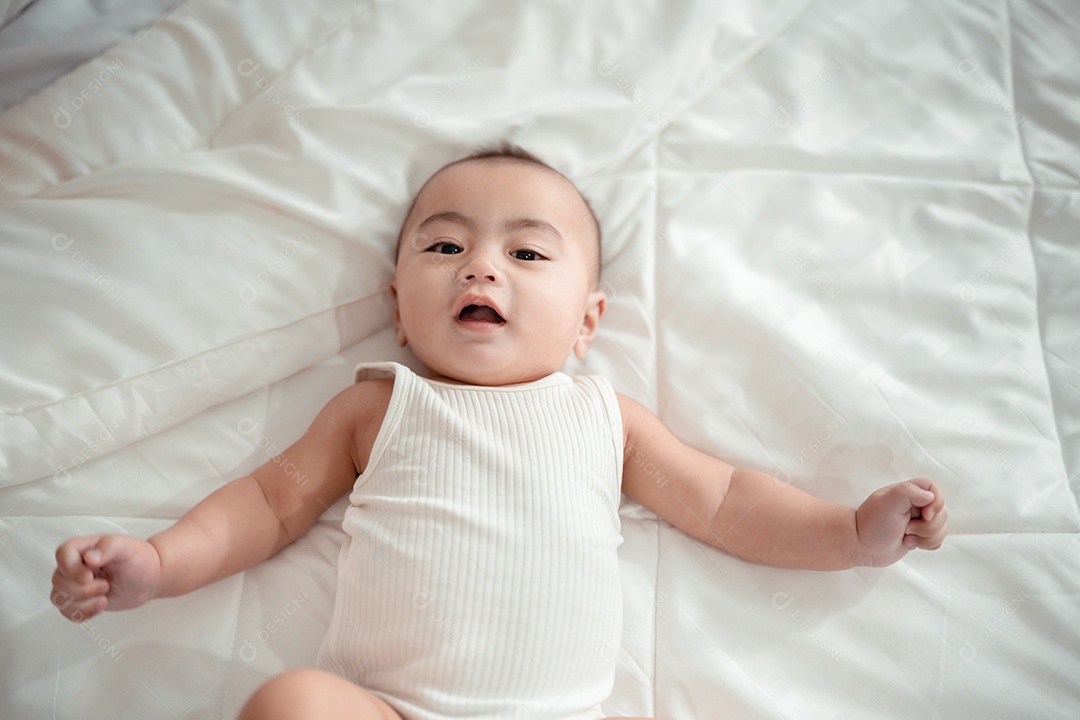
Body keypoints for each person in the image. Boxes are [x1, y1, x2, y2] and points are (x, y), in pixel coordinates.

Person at [51, 142, 949, 720]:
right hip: (391, 709)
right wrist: (163, 564)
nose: (481, 264)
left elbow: (724, 500)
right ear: (399, 306)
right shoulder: (381, 405)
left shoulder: (605, 417)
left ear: (588, 322)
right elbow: (267, 503)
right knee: (292, 704)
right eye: (444, 247)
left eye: (526, 252)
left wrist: (846, 533)